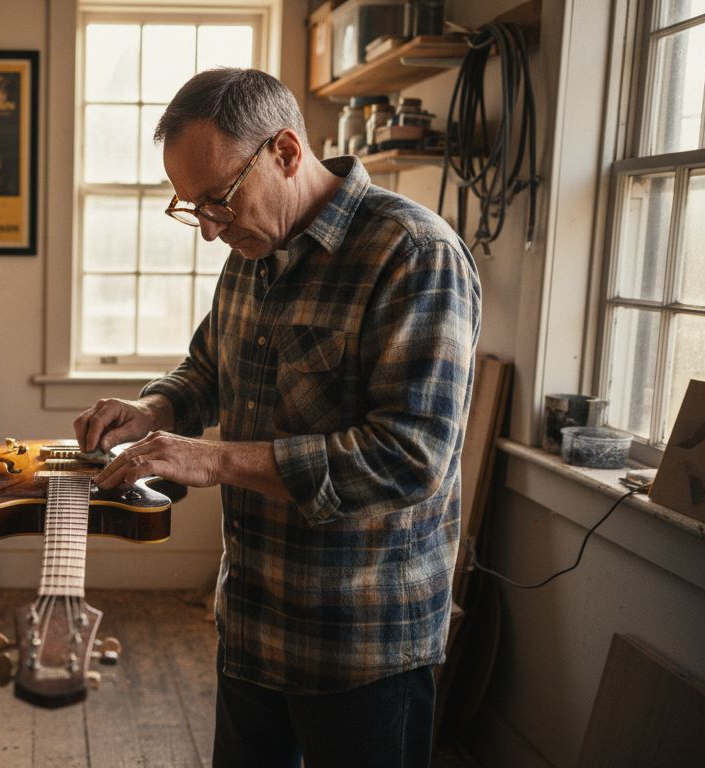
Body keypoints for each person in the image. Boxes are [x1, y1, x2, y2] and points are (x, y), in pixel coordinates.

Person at [74, 68, 481, 767]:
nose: (207, 230)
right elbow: (207, 370)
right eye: (190, 209)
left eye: (218, 200)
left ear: (286, 152)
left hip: (362, 646)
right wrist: (151, 409)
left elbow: (411, 456)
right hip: (254, 625)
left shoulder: (414, 255)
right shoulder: (250, 250)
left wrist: (211, 460)